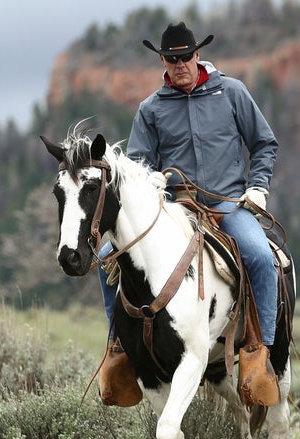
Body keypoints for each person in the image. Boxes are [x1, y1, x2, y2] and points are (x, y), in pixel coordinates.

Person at [99, 22, 279, 350]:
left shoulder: (232, 92)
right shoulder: (151, 109)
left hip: (227, 205)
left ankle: (262, 349)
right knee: (107, 257)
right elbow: (138, 165)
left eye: (185, 58)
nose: (180, 65)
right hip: (171, 207)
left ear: (197, 55)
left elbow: (264, 143)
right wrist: (149, 181)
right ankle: (119, 348)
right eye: (172, 59)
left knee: (261, 256)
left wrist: (258, 187)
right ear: (162, 62)